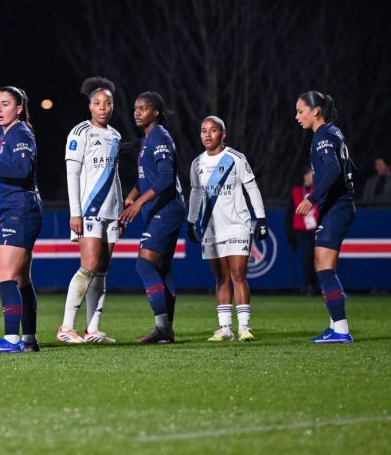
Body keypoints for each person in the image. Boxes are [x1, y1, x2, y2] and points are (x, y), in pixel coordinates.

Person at [0, 86, 43, 353]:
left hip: (20, 210)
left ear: (19, 108)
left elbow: (23, 169)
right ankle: (28, 340)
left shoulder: (21, 133)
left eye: (5, 104)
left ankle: (11, 339)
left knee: (5, 276)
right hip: (14, 211)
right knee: (22, 279)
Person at [187, 116, 267, 342]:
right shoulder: (197, 164)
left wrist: (260, 219)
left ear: (223, 135)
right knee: (221, 279)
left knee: (238, 275)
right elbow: (195, 193)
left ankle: (244, 327)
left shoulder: (235, 158)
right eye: (203, 131)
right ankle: (225, 328)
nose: (207, 135)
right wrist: (192, 221)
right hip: (211, 230)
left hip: (237, 226)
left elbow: (251, 187)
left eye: (213, 131)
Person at [57, 76, 122, 345]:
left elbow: (115, 177)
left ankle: (92, 329)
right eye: (97, 103)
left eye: (107, 103)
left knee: (103, 270)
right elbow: (72, 174)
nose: (102, 107)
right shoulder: (80, 133)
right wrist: (76, 212)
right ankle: (66, 327)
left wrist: (119, 211)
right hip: (89, 209)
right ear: (90, 107)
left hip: (111, 211)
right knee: (89, 265)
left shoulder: (116, 135)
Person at [119, 92, 185, 344]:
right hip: (161, 208)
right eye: (135, 108)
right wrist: (132, 195)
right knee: (162, 268)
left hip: (166, 209)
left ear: (155, 112)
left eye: (143, 108)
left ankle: (161, 327)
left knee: (144, 265)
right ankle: (166, 330)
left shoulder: (158, 136)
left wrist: (138, 203)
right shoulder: (147, 138)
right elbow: (146, 176)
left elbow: (166, 177)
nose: (137, 112)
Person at [294, 91, 356, 344]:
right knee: (325, 267)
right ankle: (335, 326)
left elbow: (332, 169)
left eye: (300, 111)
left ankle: (341, 329)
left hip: (336, 207)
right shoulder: (333, 132)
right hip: (339, 205)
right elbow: (349, 167)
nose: (297, 116)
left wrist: (312, 197)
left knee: (323, 267)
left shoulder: (322, 136)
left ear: (315, 111)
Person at [285, 168, 319, 295]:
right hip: (302, 230)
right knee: (307, 256)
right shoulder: (297, 191)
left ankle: (314, 285)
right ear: (305, 175)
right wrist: (290, 236)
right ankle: (307, 285)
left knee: (316, 258)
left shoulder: (318, 191)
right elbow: (290, 214)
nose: (312, 177)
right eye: (310, 174)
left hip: (315, 229)